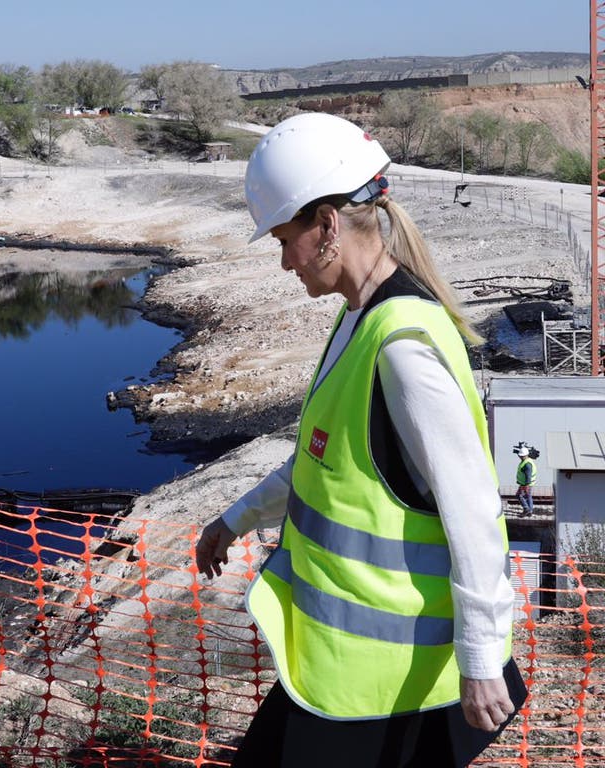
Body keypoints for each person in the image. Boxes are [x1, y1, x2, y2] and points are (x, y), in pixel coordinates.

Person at [195, 112, 527, 768]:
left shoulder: (402, 346)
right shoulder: (358, 321)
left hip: (395, 680)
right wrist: (235, 519)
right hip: (341, 672)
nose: (285, 259)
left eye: (285, 239)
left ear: (327, 226)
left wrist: (484, 658)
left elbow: (473, 510)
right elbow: (324, 462)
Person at [515, 446, 537, 515]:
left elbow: (528, 476)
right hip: (526, 483)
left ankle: (526, 509)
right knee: (528, 496)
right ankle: (530, 511)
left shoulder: (527, 464)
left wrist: (526, 485)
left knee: (519, 495)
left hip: (526, 484)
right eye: (520, 456)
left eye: (522, 456)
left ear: (526, 455)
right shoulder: (527, 461)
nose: (520, 457)